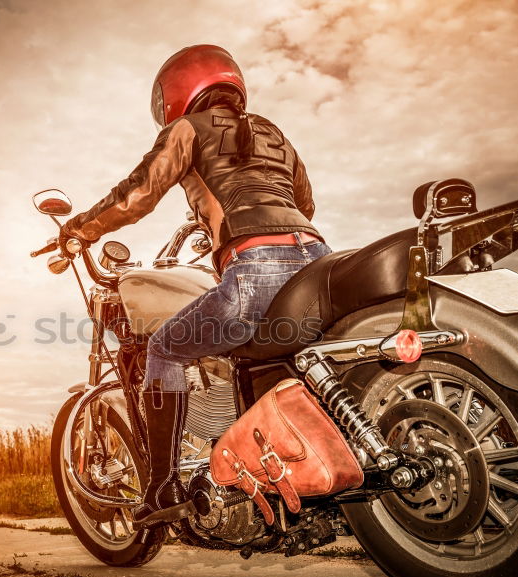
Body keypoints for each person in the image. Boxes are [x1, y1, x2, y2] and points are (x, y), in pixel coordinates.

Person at [60, 45, 331, 526]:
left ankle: (162, 488)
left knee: (164, 348)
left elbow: (138, 193)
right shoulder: (272, 133)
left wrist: (81, 228)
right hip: (317, 259)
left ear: (176, 93)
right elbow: (303, 203)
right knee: (274, 361)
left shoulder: (187, 129)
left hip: (256, 266)